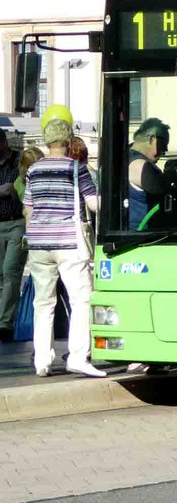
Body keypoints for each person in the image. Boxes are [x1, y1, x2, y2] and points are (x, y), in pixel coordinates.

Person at [22, 118, 104, 377]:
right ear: (68, 141)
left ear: (46, 142)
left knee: (43, 302)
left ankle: (42, 362)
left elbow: (28, 209)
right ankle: (78, 356)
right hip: (69, 242)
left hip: (39, 243)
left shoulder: (34, 171)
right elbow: (93, 204)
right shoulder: (75, 168)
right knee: (81, 298)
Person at [0, 131, 26, 343]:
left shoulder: (19, 159)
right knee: (1, 275)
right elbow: (6, 189)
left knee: (10, 270)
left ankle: (5, 324)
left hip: (17, 220)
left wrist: (11, 190)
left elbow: (18, 186)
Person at [127, 118, 170, 230]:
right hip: (142, 237)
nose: (165, 150)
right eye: (163, 145)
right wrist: (172, 176)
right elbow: (161, 189)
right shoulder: (139, 165)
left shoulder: (123, 157)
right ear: (152, 139)